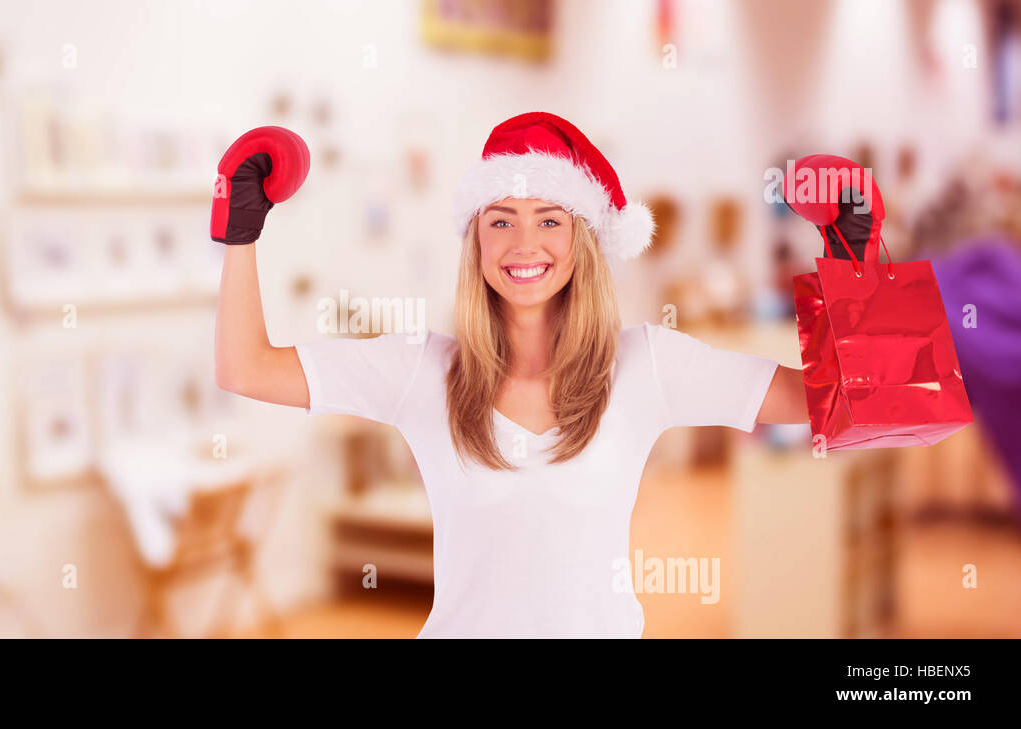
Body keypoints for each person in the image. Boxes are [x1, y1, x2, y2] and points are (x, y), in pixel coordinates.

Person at [214, 112, 808, 638]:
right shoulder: (421, 370)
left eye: (549, 220)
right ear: (475, 240)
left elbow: (818, 399)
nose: (524, 244)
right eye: (501, 221)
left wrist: (849, 260)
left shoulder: (645, 365)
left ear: (583, 240)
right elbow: (247, 368)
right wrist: (240, 230)